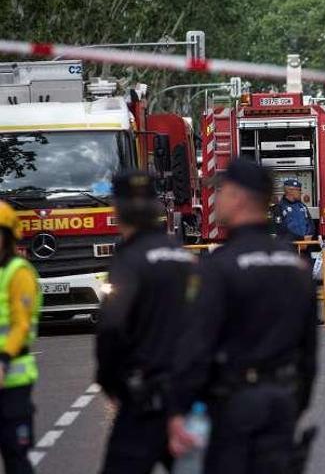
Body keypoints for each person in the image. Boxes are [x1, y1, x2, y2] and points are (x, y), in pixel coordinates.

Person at [167, 159, 317, 473]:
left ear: (238, 196)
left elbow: (195, 347)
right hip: (282, 403)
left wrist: (178, 409)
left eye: (220, 191)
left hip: (233, 406)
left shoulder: (217, 268)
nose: (215, 198)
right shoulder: (296, 268)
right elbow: (309, 354)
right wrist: (292, 404)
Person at [96, 171, 196, 474]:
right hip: (187, 398)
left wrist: (110, 380)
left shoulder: (129, 260)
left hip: (142, 401)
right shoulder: (183, 258)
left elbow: (112, 327)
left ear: (117, 208)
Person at [0, 202, 40, 474]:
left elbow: (21, 324)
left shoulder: (19, 272)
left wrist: (3, 359)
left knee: (15, 455)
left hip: (12, 379)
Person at [277, 179, 314, 243]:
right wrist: (301, 238)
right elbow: (281, 229)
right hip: (289, 246)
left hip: (306, 244)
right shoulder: (280, 207)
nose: (301, 192)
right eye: (298, 190)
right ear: (290, 191)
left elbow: (310, 223)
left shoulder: (302, 206)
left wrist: (308, 236)